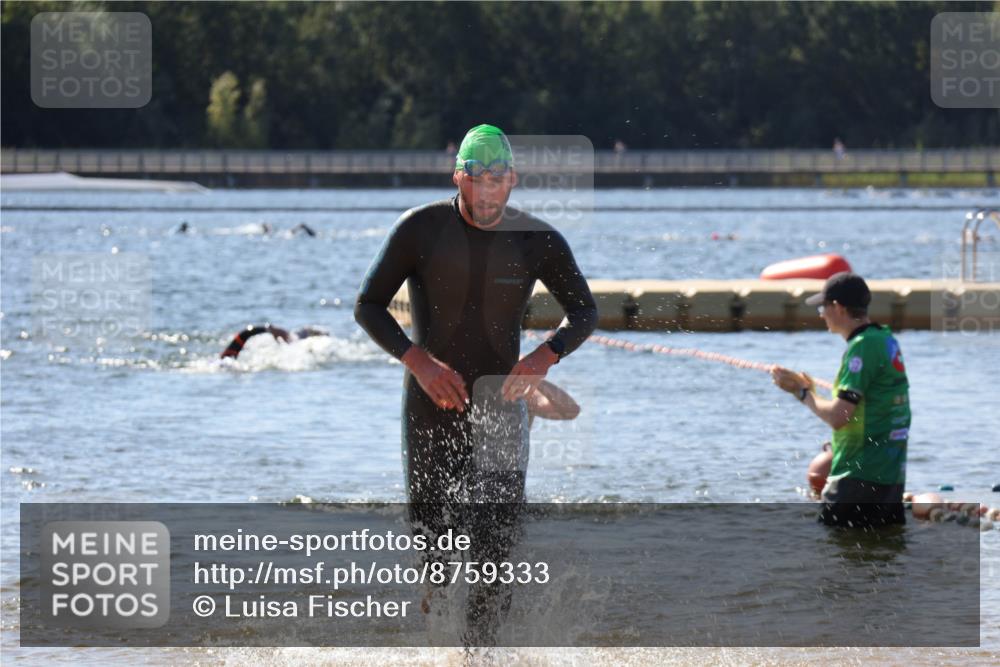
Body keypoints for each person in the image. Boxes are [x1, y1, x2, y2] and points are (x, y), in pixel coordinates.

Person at [353, 124, 597, 642]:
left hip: (501, 407)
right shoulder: (420, 229)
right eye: (476, 180)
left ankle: (480, 656)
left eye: (497, 181)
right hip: (430, 405)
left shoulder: (538, 240)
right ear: (458, 177)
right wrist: (417, 361)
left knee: (495, 549)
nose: (487, 194)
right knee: (436, 555)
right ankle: (441, 645)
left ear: (512, 180)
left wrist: (543, 357)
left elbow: (584, 311)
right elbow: (367, 306)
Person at [771, 272, 911, 528]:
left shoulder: (861, 347)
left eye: (823, 308)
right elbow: (870, 407)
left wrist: (802, 393)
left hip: (858, 478)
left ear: (837, 307)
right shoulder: (885, 339)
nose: (822, 314)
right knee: (882, 557)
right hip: (889, 479)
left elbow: (839, 416)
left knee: (835, 558)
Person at [220, 324, 328, 359]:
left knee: (295, 338)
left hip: (286, 337)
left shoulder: (227, 356)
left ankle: (314, 332)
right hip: (292, 340)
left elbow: (245, 334)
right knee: (296, 339)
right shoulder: (228, 357)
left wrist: (269, 329)